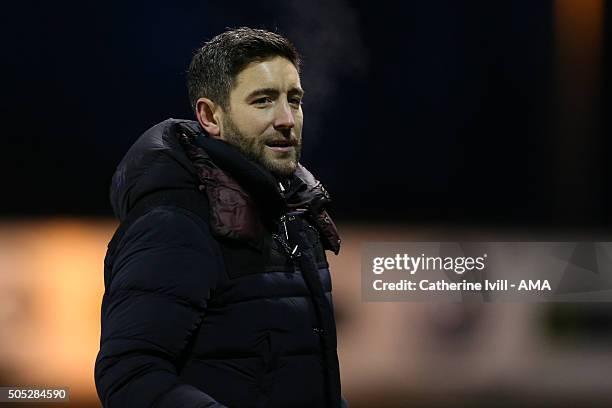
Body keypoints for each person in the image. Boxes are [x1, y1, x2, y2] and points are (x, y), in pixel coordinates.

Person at [94, 27, 347, 408]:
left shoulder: (295, 214)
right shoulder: (175, 223)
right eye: (263, 101)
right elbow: (129, 375)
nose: (286, 119)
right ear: (210, 116)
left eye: (293, 100)